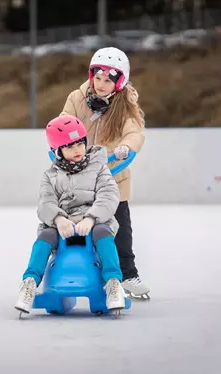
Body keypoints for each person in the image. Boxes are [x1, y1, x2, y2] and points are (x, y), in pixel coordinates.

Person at [60, 47, 150, 299]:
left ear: (118, 82)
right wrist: (59, 141)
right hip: (79, 176)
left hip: (113, 177)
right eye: (96, 78)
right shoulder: (77, 98)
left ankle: (128, 274)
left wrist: (126, 147)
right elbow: (64, 121)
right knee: (75, 224)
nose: (100, 85)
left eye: (107, 80)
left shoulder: (125, 104)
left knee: (120, 228)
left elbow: (135, 131)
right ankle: (69, 270)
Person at [14, 115, 125, 315]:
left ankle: (113, 282)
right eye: (69, 146)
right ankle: (29, 283)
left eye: (79, 143)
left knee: (103, 233)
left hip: (95, 221)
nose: (77, 150)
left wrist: (91, 218)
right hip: (62, 224)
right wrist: (58, 219)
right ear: (58, 151)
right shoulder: (50, 176)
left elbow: (109, 195)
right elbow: (45, 203)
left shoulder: (99, 168)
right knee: (45, 237)